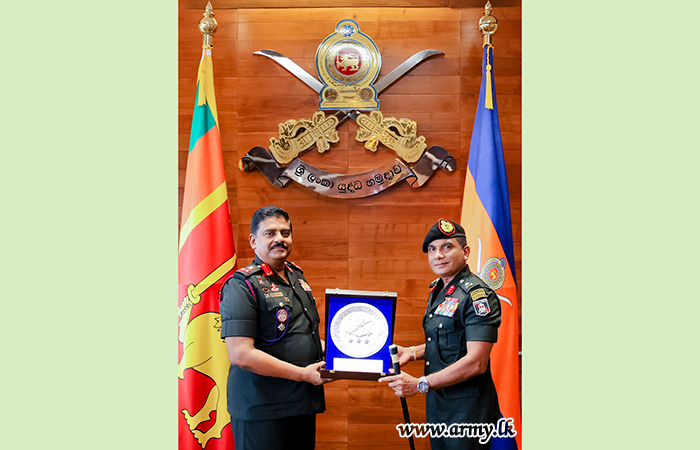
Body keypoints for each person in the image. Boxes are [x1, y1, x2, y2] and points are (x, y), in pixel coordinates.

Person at [379, 218, 502, 450]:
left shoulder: (477, 295)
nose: (438, 255)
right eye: (432, 249)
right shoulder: (439, 289)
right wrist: (412, 352)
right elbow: (450, 342)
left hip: (467, 409)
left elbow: (476, 362)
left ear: (466, 252)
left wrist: (420, 384)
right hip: (439, 401)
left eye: (447, 247)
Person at [219, 206, 330, 450]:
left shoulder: (297, 277)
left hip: (301, 403)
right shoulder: (241, 286)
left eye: (285, 232)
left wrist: (344, 354)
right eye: (270, 233)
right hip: (262, 408)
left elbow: (302, 336)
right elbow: (240, 354)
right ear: (253, 241)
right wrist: (302, 374)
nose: (280, 238)